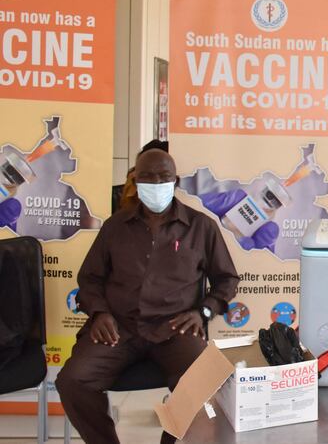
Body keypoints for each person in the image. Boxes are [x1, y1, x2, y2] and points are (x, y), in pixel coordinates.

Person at [56, 149, 239, 444]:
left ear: (175, 180)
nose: (156, 183)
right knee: (72, 381)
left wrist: (203, 312)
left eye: (163, 177)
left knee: (202, 382)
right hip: (118, 328)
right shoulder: (116, 227)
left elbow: (226, 279)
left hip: (176, 329)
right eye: (147, 177)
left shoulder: (200, 226)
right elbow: (90, 278)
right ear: (136, 180)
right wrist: (100, 313)